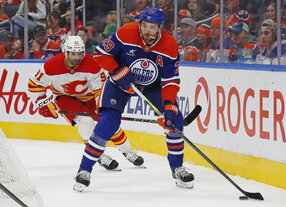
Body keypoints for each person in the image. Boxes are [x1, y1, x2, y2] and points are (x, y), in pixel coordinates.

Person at [74, 7, 194, 192]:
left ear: (160, 28)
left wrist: (169, 105)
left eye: (152, 27)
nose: (147, 30)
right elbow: (100, 53)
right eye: (144, 25)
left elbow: (171, 80)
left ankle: (177, 168)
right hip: (119, 83)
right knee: (108, 123)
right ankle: (84, 170)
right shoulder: (126, 32)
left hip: (151, 86)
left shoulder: (169, 45)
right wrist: (116, 70)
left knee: (175, 120)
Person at [28, 35, 144, 174]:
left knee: (108, 123)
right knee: (84, 122)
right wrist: (41, 103)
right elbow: (34, 85)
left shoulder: (92, 64)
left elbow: (100, 90)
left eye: (80, 53)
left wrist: (104, 109)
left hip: (89, 97)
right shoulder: (51, 65)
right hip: (64, 98)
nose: (77, 57)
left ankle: (128, 152)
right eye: (73, 54)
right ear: (66, 52)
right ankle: (98, 155)